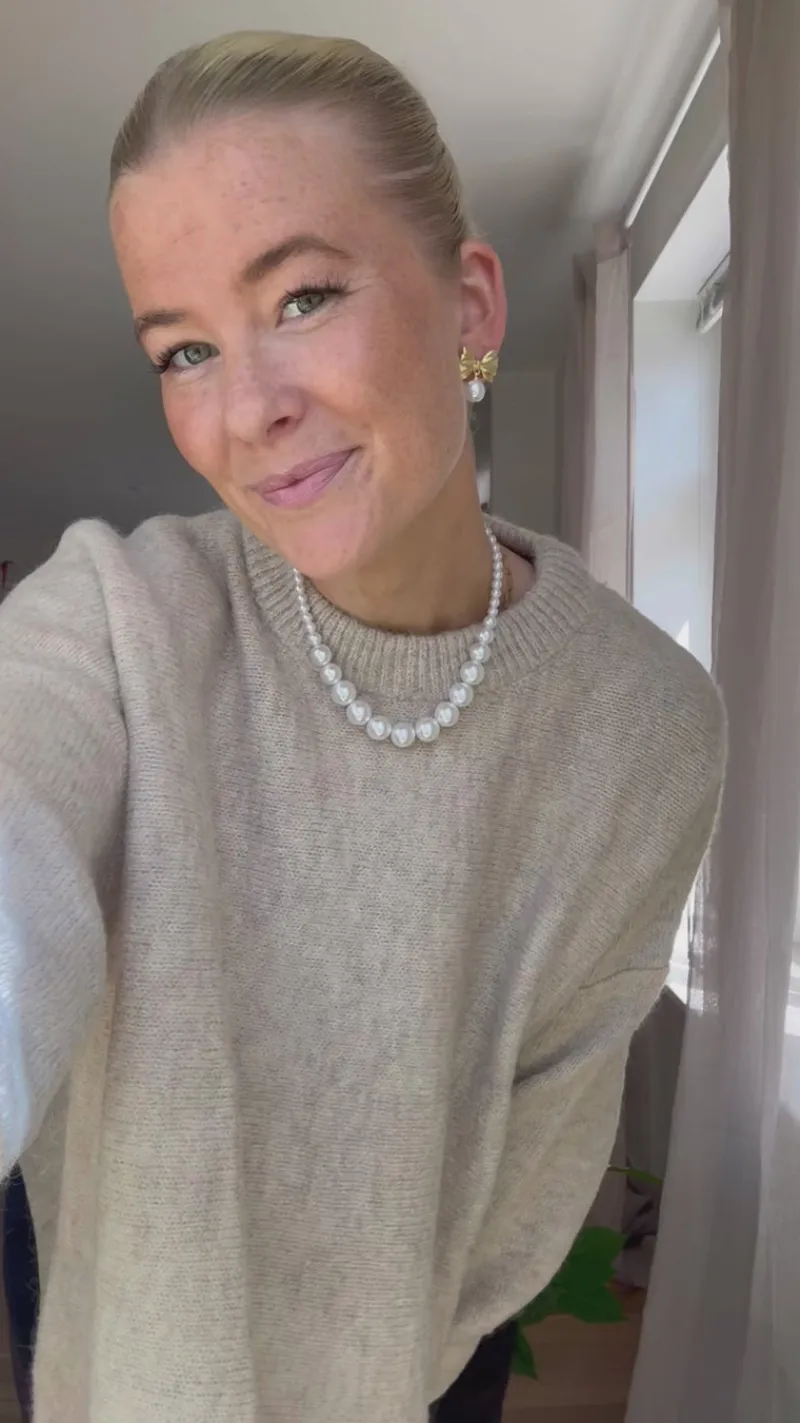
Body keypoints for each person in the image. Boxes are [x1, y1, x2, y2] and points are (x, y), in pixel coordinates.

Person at [0, 29, 725, 1423]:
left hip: (418, 1375)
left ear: (471, 305)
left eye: (305, 296)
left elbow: (536, 1173)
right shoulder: (116, 616)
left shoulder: (643, 730)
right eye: (184, 349)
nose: (248, 409)